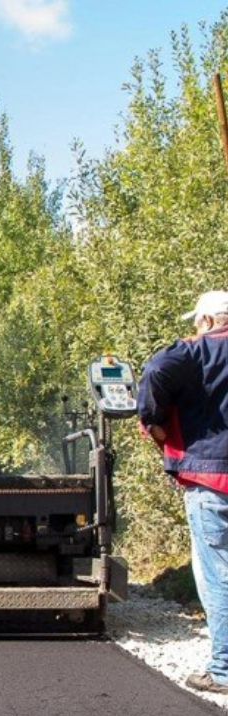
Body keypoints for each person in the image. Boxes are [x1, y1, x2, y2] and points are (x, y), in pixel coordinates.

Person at [138, 290, 228, 694]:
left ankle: (224, 670)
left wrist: (153, 424)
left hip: (212, 481)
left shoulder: (195, 352)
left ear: (208, 320)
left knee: (219, 576)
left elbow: (156, 370)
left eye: (197, 322)